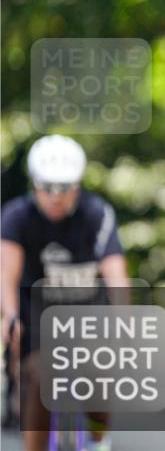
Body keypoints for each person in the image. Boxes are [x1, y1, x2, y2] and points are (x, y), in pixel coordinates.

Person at [1, 135, 129, 451]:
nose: (55, 196)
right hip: (37, 316)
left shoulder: (97, 214)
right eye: (47, 187)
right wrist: (10, 316)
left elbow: (115, 274)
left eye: (65, 187)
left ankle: (100, 440)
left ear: (78, 185)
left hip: (88, 315)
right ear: (34, 184)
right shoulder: (17, 216)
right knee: (41, 377)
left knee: (98, 375)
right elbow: (6, 273)